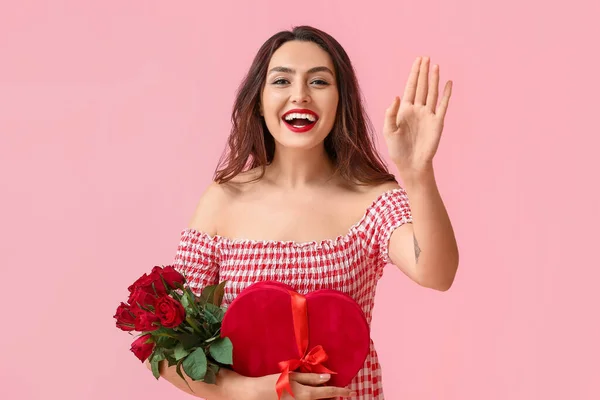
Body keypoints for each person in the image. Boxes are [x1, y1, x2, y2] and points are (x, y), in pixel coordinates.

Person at [148, 25, 459, 400]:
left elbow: (437, 273)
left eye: (319, 82)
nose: (300, 95)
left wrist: (418, 172)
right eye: (281, 81)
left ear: (341, 101)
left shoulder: (373, 199)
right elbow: (162, 343)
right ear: (259, 102)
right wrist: (251, 390)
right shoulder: (223, 199)